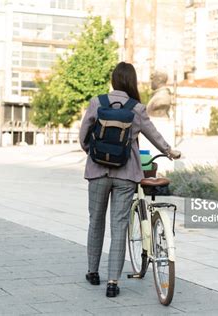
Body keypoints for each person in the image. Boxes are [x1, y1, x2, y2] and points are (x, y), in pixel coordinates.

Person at [79, 62, 181, 298]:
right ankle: (113, 281)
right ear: (132, 82)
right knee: (119, 227)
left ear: (114, 80)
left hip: (97, 173)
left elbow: (83, 136)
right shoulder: (137, 108)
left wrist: (94, 155)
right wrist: (169, 151)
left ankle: (92, 272)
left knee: (96, 222)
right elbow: (153, 135)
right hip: (125, 175)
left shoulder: (98, 102)